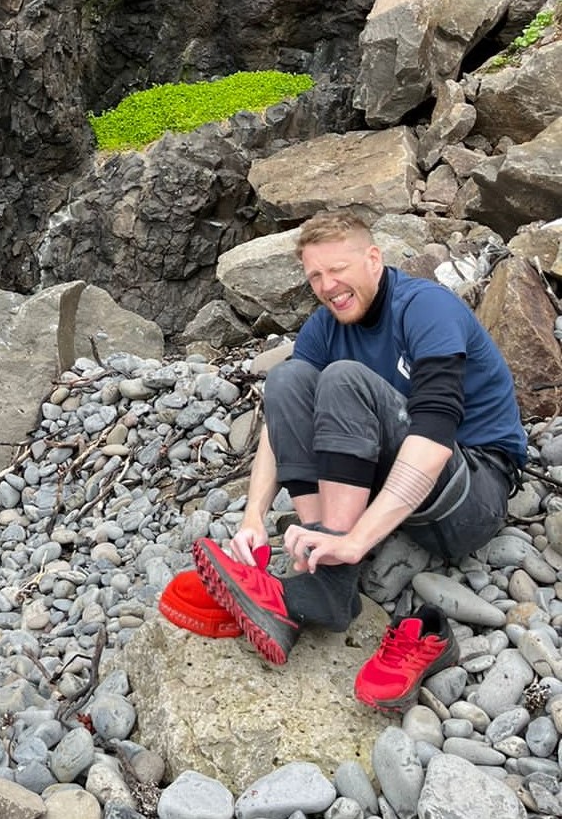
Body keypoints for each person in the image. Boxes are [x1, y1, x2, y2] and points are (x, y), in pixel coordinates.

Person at [193, 209, 527, 671]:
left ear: (373, 259)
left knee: (345, 379)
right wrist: (253, 516)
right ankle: (317, 557)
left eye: (337, 270)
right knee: (288, 379)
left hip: (470, 494)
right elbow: (281, 424)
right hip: (399, 489)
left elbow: (433, 440)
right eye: (315, 276)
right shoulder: (325, 325)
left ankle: (334, 576)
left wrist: (356, 543)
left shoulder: (425, 307)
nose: (327, 286)